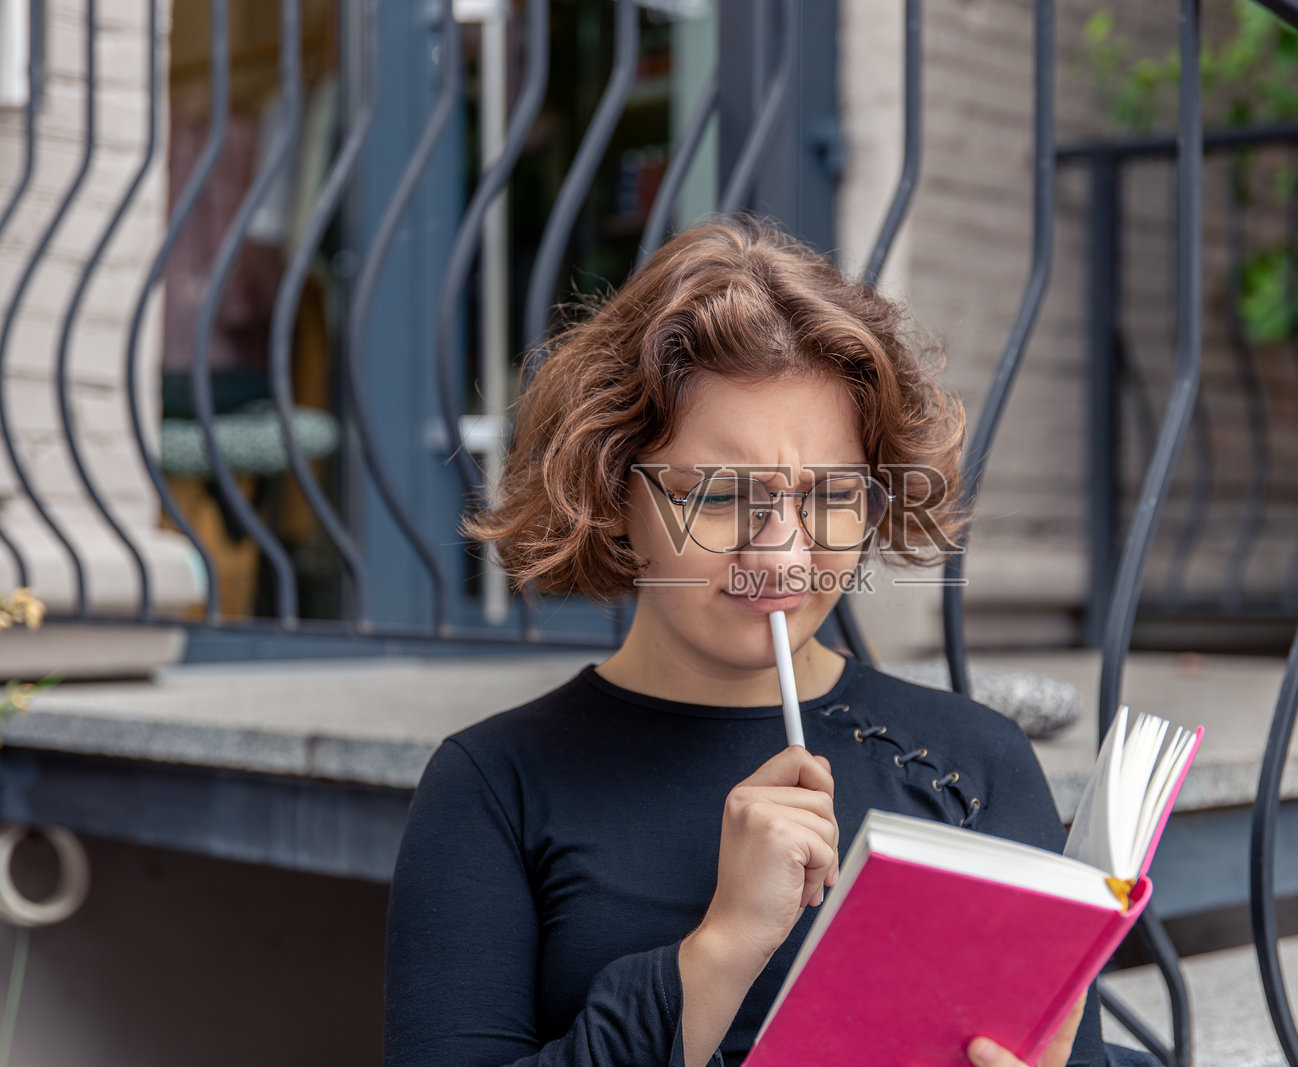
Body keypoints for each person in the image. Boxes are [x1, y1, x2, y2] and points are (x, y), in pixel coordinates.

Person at [383, 218, 1160, 1067]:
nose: (781, 553)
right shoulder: (495, 785)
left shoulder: (976, 763)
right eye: (718, 499)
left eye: (830, 493)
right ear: (612, 496)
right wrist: (719, 952)